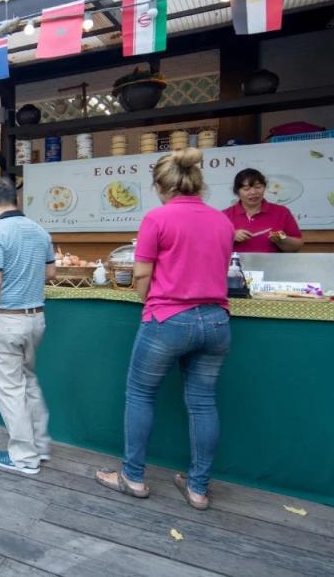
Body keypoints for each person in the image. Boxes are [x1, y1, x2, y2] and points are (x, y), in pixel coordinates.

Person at [95, 148, 234, 510]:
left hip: (168, 319)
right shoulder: (223, 221)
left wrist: (149, 302)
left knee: (140, 395)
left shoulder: (156, 218)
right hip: (217, 321)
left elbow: (142, 274)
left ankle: (133, 476)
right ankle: (198, 488)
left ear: (160, 185)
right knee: (203, 403)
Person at [0, 177, 56, 475]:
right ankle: (40, 447)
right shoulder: (39, 231)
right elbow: (51, 272)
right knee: (28, 382)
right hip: (36, 319)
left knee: (10, 390)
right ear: (16, 201)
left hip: (7, 321)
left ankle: (24, 457)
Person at [223, 168, 303, 253]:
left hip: (273, 262)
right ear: (237, 192)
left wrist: (282, 239)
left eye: (258, 187)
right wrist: (231, 236)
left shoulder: (282, 212)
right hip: (236, 262)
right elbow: (214, 245)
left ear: (265, 188)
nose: (253, 192)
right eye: (246, 189)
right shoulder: (224, 216)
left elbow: (297, 246)